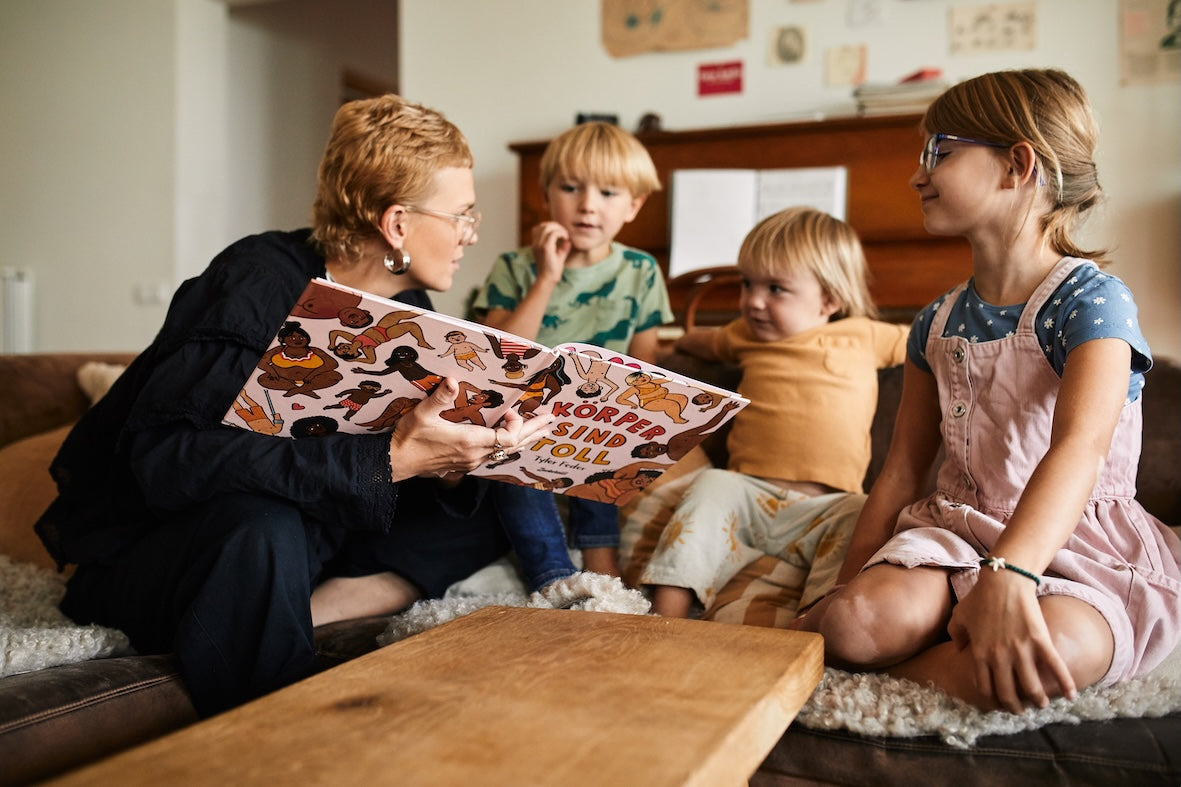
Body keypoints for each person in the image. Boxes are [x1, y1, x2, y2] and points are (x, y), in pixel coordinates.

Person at [34, 95, 555, 717]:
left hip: (313, 539)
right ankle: (283, 719)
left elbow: (383, 467)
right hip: (173, 548)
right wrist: (389, 460)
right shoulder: (256, 280)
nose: (471, 232)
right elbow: (170, 461)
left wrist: (452, 456)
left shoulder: (412, 308)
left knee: (488, 504)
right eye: (462, 215)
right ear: (397, 224)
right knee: (262, 525)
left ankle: (315, 605)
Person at [791, 69, 1181, 713]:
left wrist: (1013, 573)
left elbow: (1080, 450)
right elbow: (902, 469)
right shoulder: (934, 321)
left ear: (1017, 165)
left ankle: (898, 670)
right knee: (854, 625)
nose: (917, 176)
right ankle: (908, 652)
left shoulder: (1093, 301)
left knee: (1054, 659)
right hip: (957, 531)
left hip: (1075, 544)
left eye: (938, 153)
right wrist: (838, 596)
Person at [640, 207, 910, 618]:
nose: (753, 301)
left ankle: (818, 622)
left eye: (776, 289)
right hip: (746, 495)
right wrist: (669, 348)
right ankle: (664, 618)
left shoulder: (865, 336)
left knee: (864, 514)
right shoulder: (744, 335)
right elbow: (705, 342)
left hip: (826, 506)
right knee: (710, 486)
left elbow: (929, 342)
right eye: (747, 284)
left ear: (829, 299)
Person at [471, 121, 672, 581]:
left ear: (634, 205)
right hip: (520, 412)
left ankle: (602, 566)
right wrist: (547, 277)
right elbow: (500, 355)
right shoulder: (514, 266)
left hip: (598, 415)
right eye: (570, 188)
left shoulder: (641, 271)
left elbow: (647, 364)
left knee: (606, 443)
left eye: (608, 193)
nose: (587, 205)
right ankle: (552, 575)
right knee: (509, 455)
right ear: (546, 195)